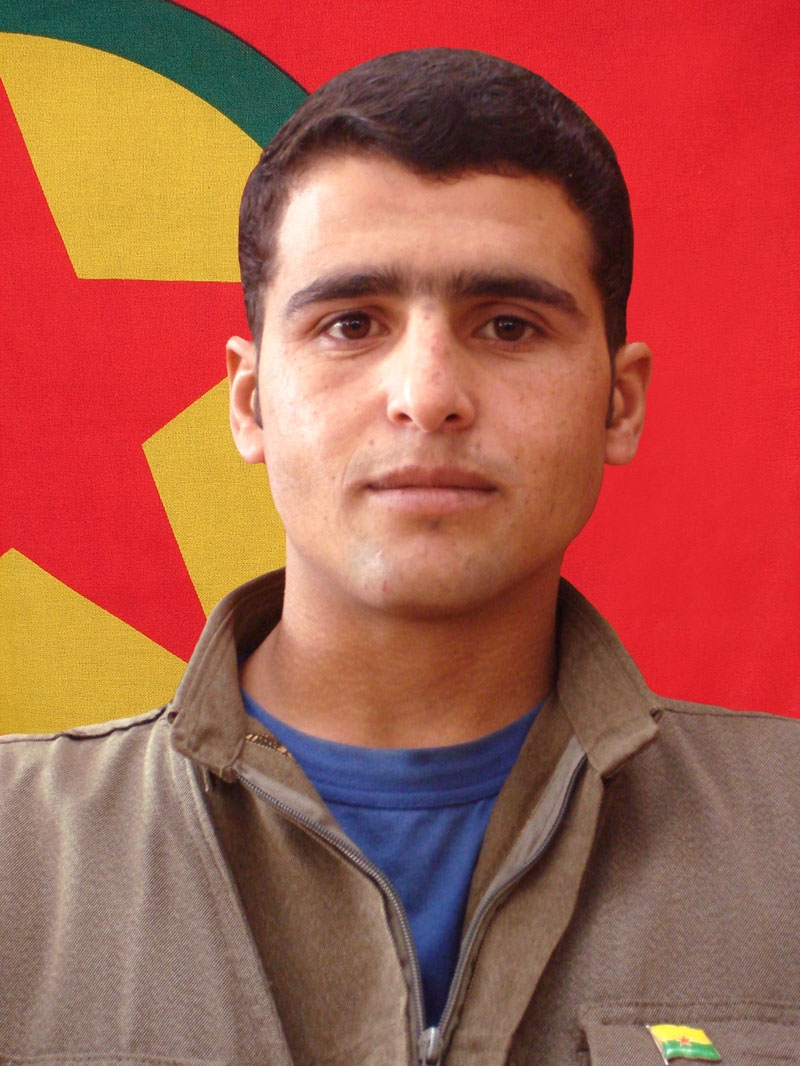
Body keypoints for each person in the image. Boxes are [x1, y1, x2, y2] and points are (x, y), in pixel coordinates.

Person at [2, 48, 798, 1066]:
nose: (427, 395)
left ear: (619, 401)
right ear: (249, 403)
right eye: (350, 324)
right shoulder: (17, 857)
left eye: (507, 325)